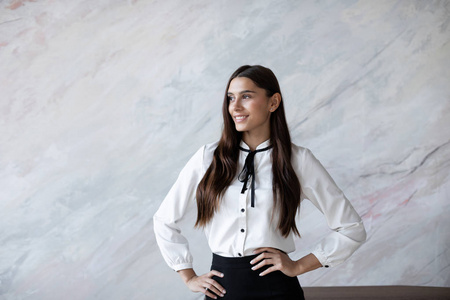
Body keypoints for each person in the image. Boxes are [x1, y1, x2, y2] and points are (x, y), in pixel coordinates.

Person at [153, 65, 366, 299]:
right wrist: (188, 276)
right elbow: (164, 220)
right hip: (223, 289)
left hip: (278, 290)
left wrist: (298, 266)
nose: (235, 107)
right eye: (230, 98)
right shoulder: (208, 158)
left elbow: (351, 229)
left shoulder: (299, 160)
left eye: (246, 96)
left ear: (273, 102)